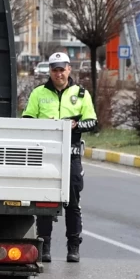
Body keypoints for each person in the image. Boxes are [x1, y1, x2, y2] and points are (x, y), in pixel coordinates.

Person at [22, 51, 97, 263]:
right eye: (55, 70)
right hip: (45, 156)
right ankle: (44, 246)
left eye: (62, 70)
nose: (59, 74)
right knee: (45, 202)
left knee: (72, 203)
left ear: (69, 69)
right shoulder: (38, 93)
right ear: (50, 71)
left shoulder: (81, 94)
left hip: (71, 156)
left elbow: (92, 121)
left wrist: (75, 125)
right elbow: (27, 119)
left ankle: (73, 246)